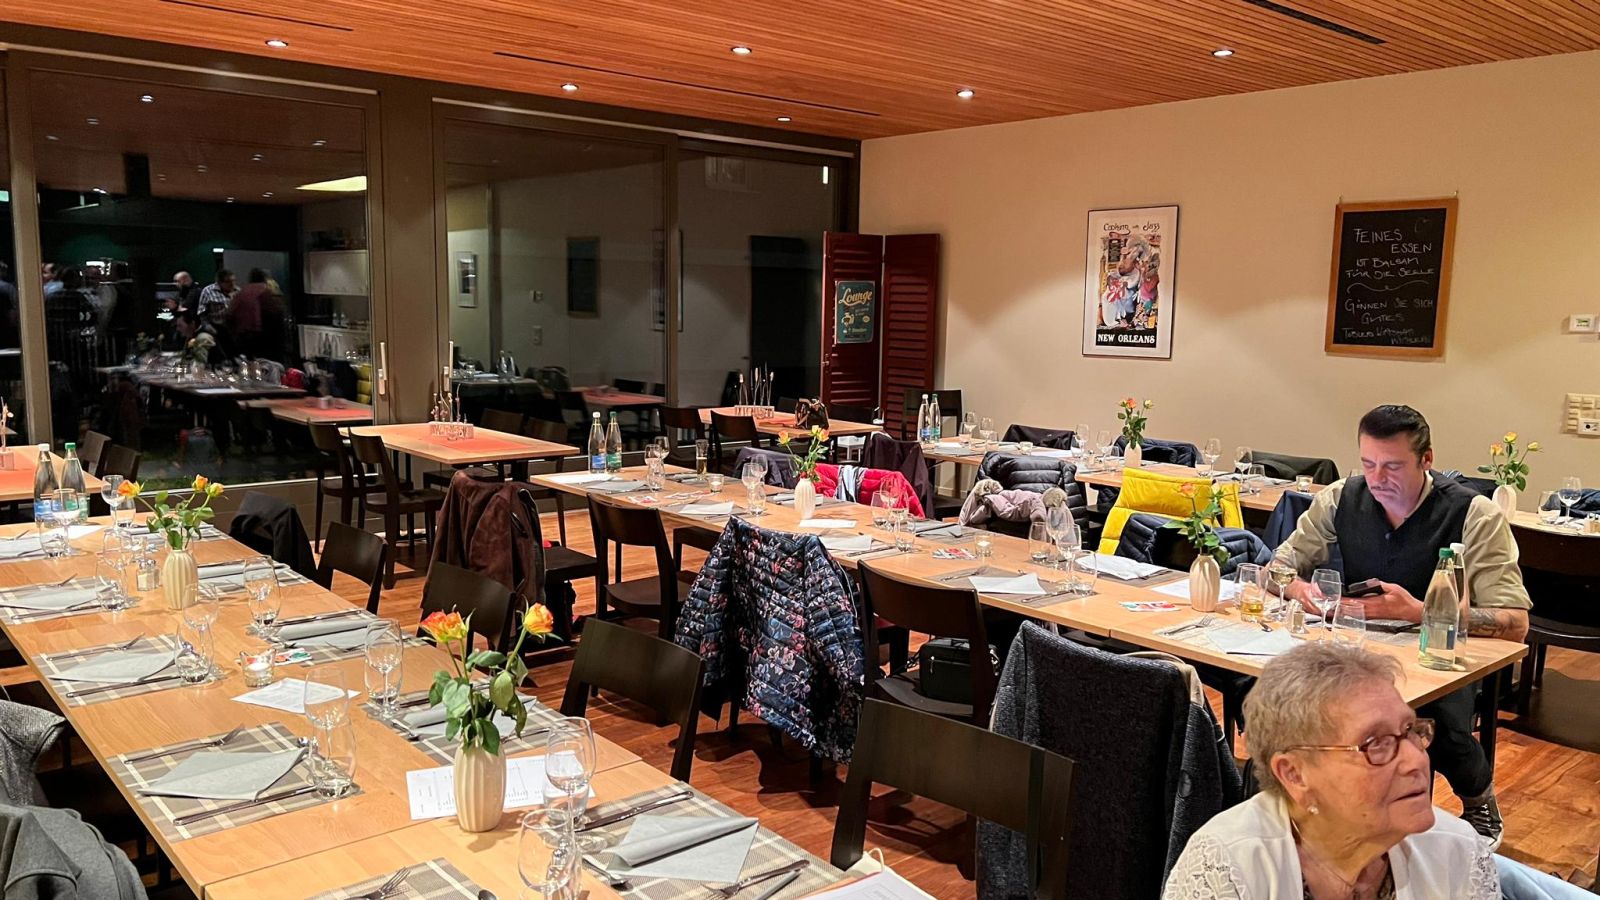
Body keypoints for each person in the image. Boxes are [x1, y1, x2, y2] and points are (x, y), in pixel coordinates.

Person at [1274, 404, 1530, 848]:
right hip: (1356, 641)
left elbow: (1516, 622)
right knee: (1282, 692)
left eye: (1392, 466)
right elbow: (1277, 567)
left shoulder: (1473, 514)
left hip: (1436, 647)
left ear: (1426, 459)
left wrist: (1420, 612)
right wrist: (1301, 590)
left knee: (1431, 718)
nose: (1377, 479)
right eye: (1368, 464)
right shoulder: (1341, 497)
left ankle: (1477, 797)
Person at [1164, 643, 1499, 899]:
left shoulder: (1458, 851)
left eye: (1410, 730)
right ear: (1295, 775)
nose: (1416, 760)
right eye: (1376, 743)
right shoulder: (1228, 867)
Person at [228, 268, 271, 356]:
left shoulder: (241, 293)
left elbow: (230, 314)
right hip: (266, 335)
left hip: (244, 334)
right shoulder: (268, 291)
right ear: (265, 278)